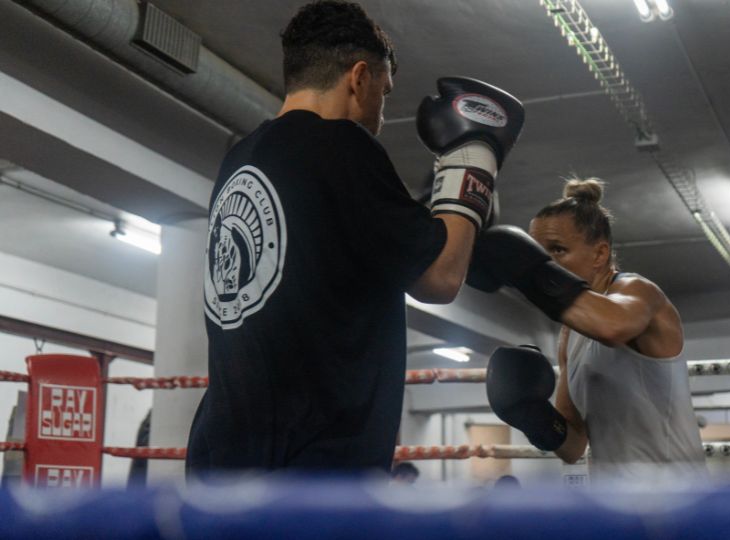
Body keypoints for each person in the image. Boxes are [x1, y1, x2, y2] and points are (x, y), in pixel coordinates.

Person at [187, 0, 524, 475]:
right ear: (359, 76)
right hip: (313, 474)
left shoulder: (240, 158)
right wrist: (475, 157)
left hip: (221, 464)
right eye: (383, 93)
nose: (381, 115)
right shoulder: (341, 146)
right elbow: (441, 277)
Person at [478, 177, 706, 477]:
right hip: (611, 502)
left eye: (557, 250)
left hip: (675, 499)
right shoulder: (570, 335)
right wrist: (532, 415)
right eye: (537, 252)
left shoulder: (639, 291)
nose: (545, 262)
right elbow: (573, 447)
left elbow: (613, 326)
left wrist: (531, 273)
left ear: (599, 254)